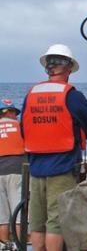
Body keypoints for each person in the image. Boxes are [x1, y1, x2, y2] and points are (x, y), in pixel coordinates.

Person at [20, 44, 87, 251]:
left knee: (37, 220)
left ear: (47, 67)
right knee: (56, 219)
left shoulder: (31, 94)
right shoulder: (71, 95)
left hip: (36, 167)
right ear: (69, 67)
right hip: (62, 167)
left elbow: (23, 129)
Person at [0, 99, 25, 250]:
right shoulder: (20, 126)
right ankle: (19, 245)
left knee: (1, 216)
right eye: (15, 113)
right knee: (19, 214)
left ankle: (3, 245)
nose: (16, 116)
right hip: (17, 170)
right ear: (9, 112)